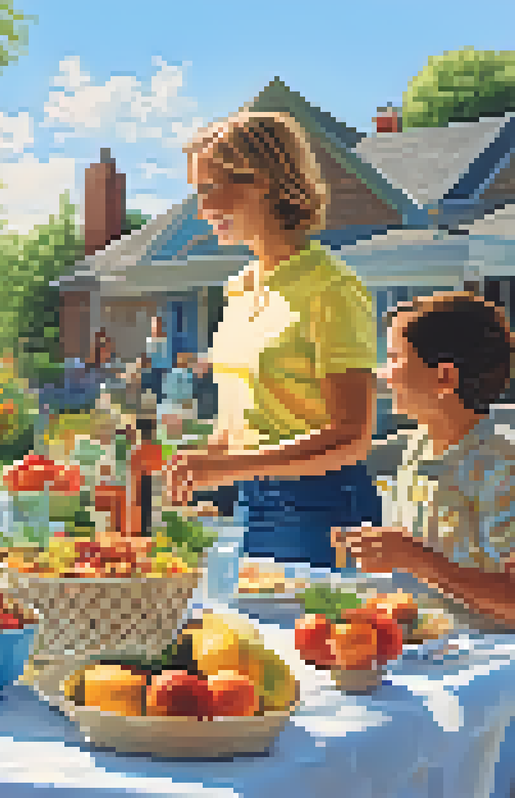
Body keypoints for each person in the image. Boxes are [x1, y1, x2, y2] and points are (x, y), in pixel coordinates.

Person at [164, 111, 380, 567]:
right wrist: (198, 463)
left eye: (208, 190)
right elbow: (245, 424)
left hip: (323, 510)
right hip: (246, 502)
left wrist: (227, 466)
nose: (201, 210)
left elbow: (352, 437)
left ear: (260, 180)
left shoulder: (331, 290)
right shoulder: (239, 289)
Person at [336, 292, 515, 631]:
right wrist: (383, 550)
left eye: (393, 358)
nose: (383, 375)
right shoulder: (419, 446)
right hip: (424, 650)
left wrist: (416, 560)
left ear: (444, 378)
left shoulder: (502, 465)